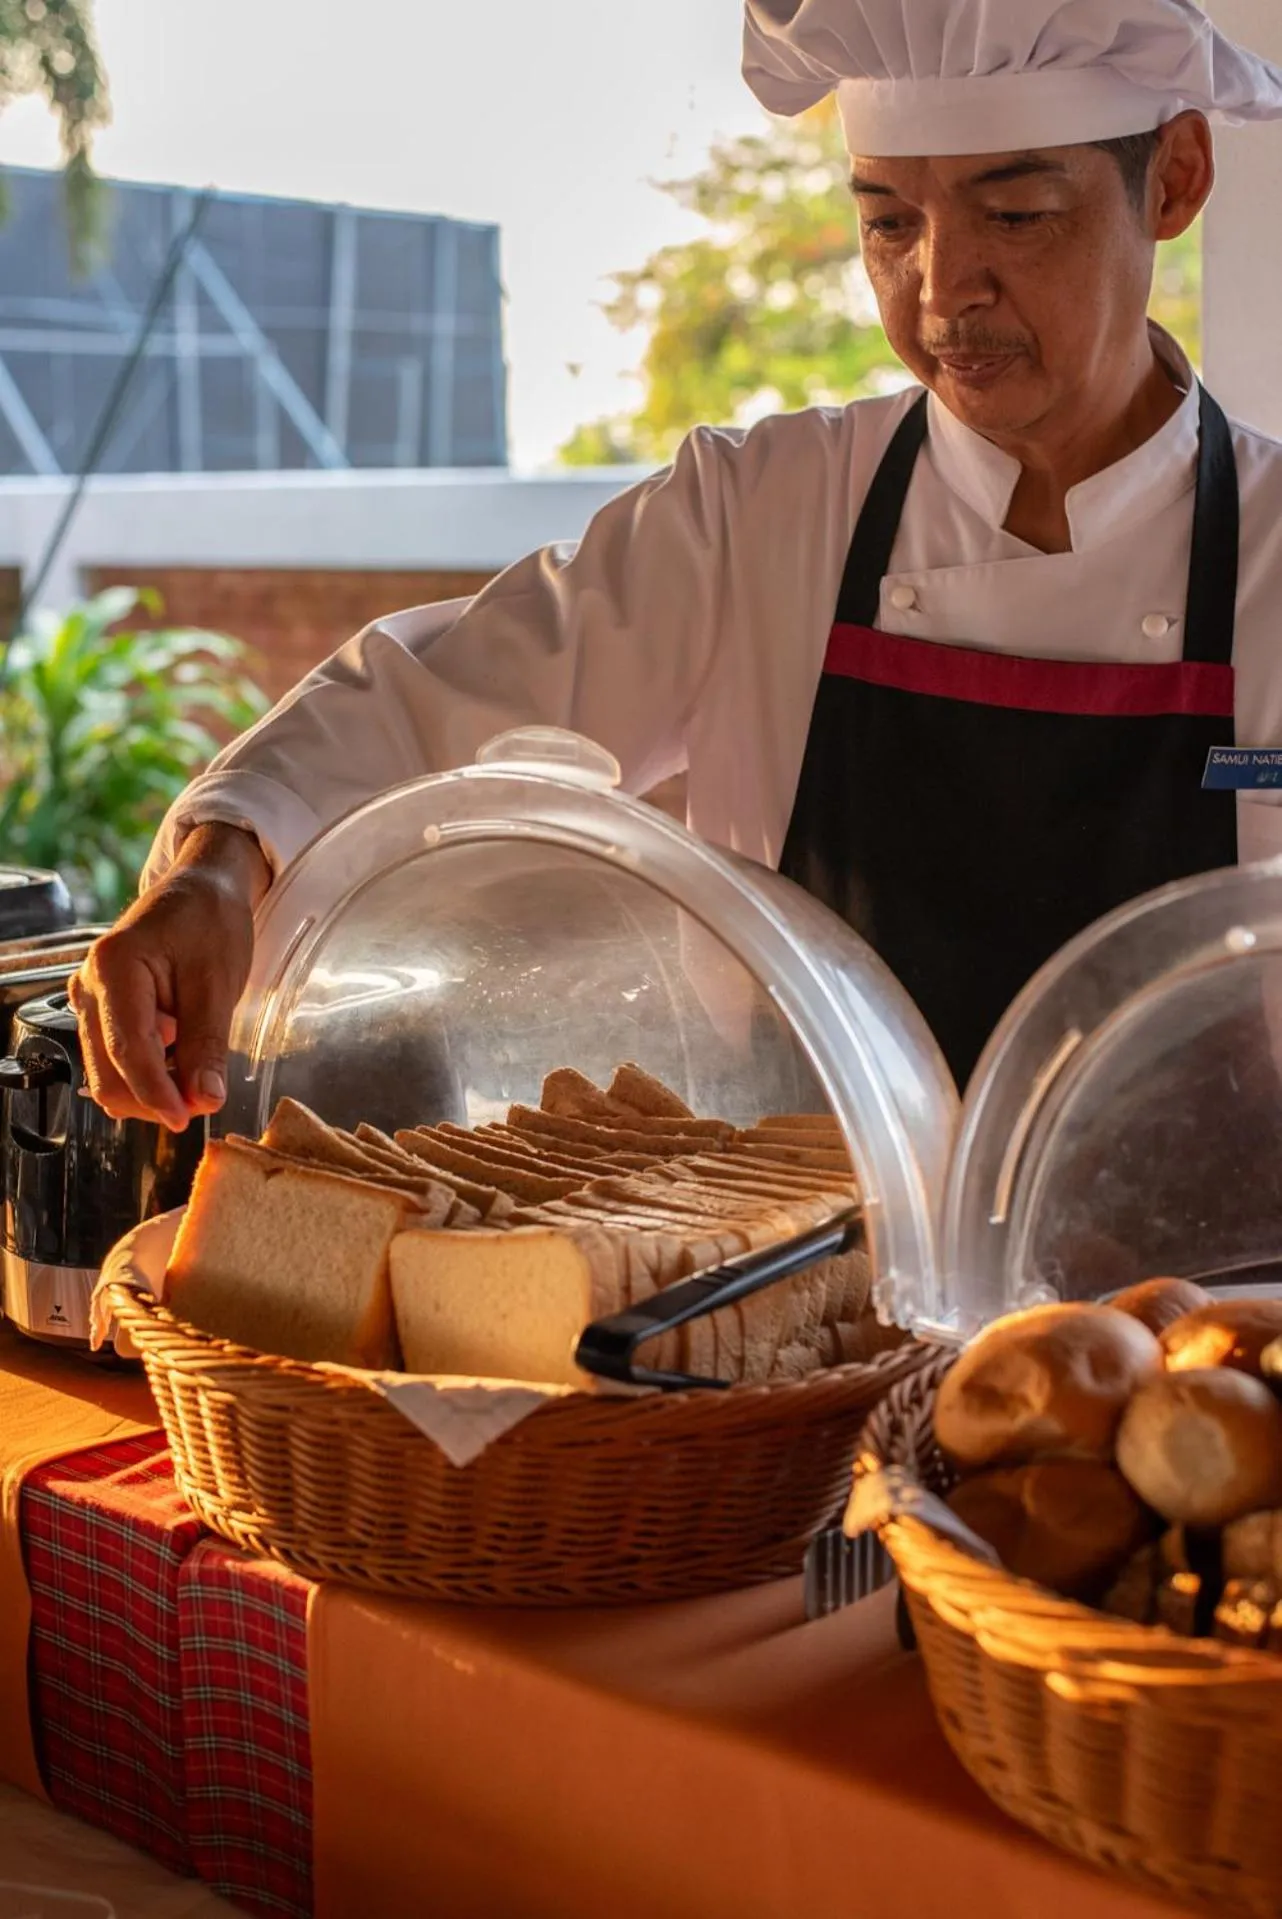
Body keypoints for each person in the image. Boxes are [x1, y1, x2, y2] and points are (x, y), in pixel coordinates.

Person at [73, 0, 1282, 1128]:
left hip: (1210, 1322)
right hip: (805, 1294)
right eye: (888, 222)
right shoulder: (758, 515)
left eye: (1013, 215)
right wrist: (218, 872)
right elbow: (429, 704)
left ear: (1173, 178)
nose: (939, 288)